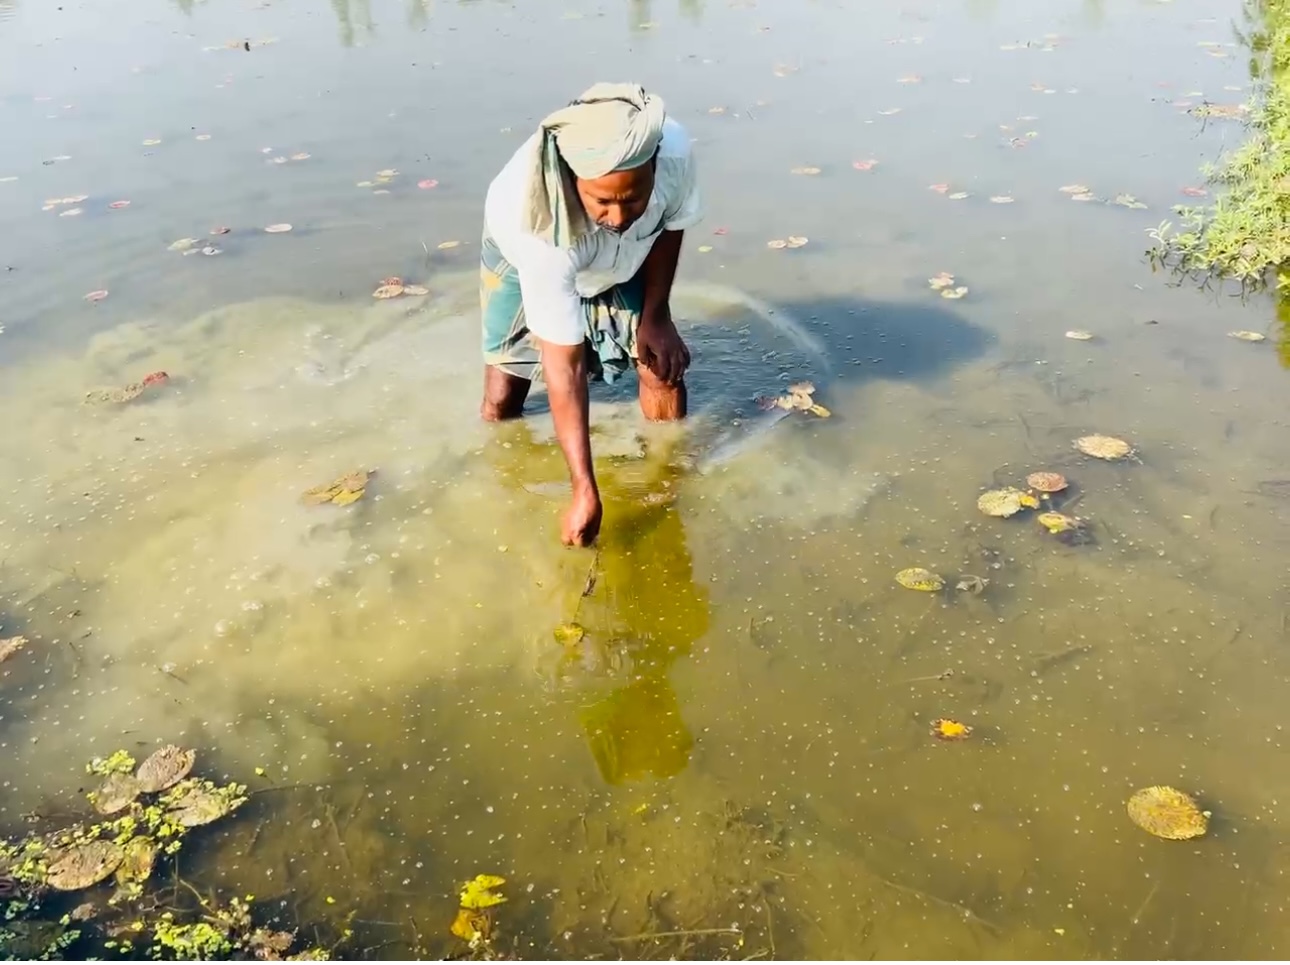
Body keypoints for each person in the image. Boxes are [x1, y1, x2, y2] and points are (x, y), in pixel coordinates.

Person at [478, 82, 703, 547]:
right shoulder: (536, 232)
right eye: (603, 200)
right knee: (503, 398)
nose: (619, 217)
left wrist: (656, 315)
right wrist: (585, 488)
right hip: (529, 256)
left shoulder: (674, 152)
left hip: (628, 256)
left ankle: (667, 481)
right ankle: (501, 469)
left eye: (632, 199)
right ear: (573, 180)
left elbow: (671, 225)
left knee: (662, 366)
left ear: (655, 170)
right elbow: (566, 367)